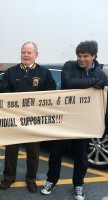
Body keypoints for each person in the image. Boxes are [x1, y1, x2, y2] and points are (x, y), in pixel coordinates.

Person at [41, 40, 108, 200]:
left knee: (81, 156)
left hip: (84, 121)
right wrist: (94, 82)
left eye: (85, 56)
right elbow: (69, 82)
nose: (81, 59)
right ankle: (51, 181)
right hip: (65, 118)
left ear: (94, 56)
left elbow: (102, 83)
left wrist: (96, 82)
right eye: (79, 55)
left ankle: (78, 185)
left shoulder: (101, 72)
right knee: (56, 153)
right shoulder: (70, 66)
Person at [0, 42, 56, 193]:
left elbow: (50, 94)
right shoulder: (11, 72)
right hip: (14, 118)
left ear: (36, 55)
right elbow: (3, 90)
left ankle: (31, 179)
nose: (25, 55)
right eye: (23, 52)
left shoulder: (44, 73)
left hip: (33, 120)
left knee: (33, 152)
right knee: (11, 150)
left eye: (29, 52)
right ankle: (9, 177)